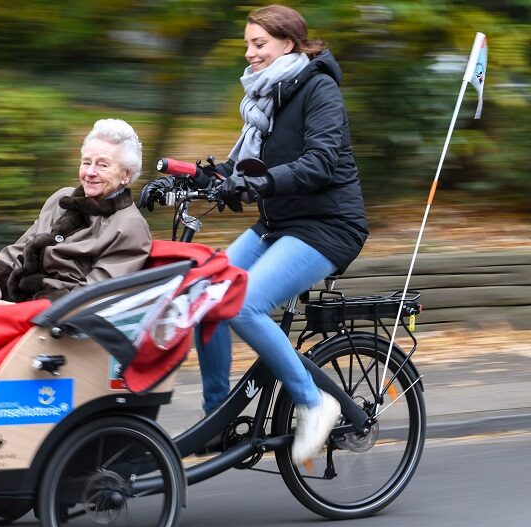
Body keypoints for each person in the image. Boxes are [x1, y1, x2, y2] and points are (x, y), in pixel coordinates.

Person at [140, 5, 367, 464]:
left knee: (243, 305)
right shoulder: (266, 98)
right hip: (278, 224)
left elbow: (320, 163)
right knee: (205, 292)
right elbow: (237, 168)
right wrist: (184, 181)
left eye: (258, 44)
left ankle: (312, 401)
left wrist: (259, 183)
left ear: (289, 43)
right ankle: (217, 416)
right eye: (247, 44)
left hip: (328, 226)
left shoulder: (318, 90)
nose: (249, 54)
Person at [0, 118, 152, 301]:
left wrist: (19, 308)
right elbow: (20, 250)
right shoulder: (61, 199)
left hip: (56, 317)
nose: (90, 172)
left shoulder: (130, 226)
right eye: (86, 162)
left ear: (126, 174)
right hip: (13, 295)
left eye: (102, 165)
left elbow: (94, 295)